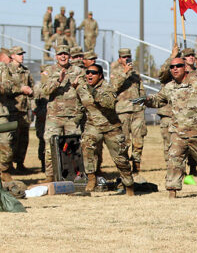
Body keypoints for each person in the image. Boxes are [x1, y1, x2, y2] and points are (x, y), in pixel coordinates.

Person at [144, 56, 197, 198]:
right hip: (178, 132)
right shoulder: (169, 87)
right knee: (174, 160)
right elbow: (158, 100)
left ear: (185, 68)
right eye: (172, 67)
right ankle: (172, 191)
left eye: (178, 66)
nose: (175, 69)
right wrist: (146, 100)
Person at [75, 64, 135, 195]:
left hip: (111, 126)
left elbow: (108, 103)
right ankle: (91, 177)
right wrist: (76, 118)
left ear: (100, 75)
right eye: (88, 72)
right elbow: (80, 105)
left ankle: (129, 184)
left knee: (121, 159)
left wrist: (93, 92)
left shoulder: (108, 87)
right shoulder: (82, 88)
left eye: (93, 73)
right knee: (87, 144)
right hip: (93, 125)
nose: (90, 75)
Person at [39, 45, 85, 182]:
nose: (63, 56)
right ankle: (50, 176)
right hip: (54, 117)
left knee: (73, 147)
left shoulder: (78, 71)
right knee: (50, 147)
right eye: (60, 54)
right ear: (56, 56)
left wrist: (78, 86)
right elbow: (45, 91)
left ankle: (73, 175)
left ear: (70, 56)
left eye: (65, 54)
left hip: (72, 116)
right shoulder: (49, 71)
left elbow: (84, 90)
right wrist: (58, 81)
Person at [111, 48, 147, 176]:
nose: (127, 59)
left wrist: (143, 103)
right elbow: (113, 88)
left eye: (128, 56)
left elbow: (141, 89)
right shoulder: (115, 72)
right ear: (119, 59)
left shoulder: (135, 73)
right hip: (123, 111)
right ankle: (125, 170)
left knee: (138, 141)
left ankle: (137, 169)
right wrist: (124, 73)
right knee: (124, 141)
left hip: (137, 111)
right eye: (124, 57)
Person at [6, 47, 34, 172]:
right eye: (19, 54)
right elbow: (6, 88)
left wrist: (31, 92)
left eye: (22, 54)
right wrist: (21, 89)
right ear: (12, 56)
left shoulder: (25, 71)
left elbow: (31, 86)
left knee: (23, 138)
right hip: (12, 109)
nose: (21, 56)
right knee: (11, 138)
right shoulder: (7, 70)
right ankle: (8, 164)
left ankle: (20, 164)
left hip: (24, 109)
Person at [0, 48, 15, 181]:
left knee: (6, 141)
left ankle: (4, 170)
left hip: (1, 114)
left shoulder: (3, 68)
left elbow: (8, 86)